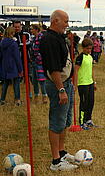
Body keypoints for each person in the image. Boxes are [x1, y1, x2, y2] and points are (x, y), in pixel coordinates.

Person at [40, 10, 78, 171]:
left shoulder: (59, 37)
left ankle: (61, 152)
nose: (67, 24)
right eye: (66, 21)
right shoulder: (49, 40)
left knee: (65, 121)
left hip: (66, 84)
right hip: (58, 85)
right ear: (55, 21)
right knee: (57, 121)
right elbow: (54, 68)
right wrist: (61, 89)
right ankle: (56, 162)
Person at [74, 38, 97, 130]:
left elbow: (91, 70)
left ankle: (88, 120)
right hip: (82, 84)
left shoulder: (90, 57)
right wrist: (75, 84)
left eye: (90, 49)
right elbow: (75, 71)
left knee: (91, 102)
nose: (89, 50)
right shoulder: (80, 57)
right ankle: (82, 122)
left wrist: (94, 82)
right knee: (84, 103)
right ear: (83, 48)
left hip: (90, 83)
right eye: (87, 49)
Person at [0, 27, 23, 106]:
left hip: (5, 65)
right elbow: (17, 57)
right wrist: (20, 69)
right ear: (12, 33)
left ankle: (2, 99)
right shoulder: (13, 44)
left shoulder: (2, 43)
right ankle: (17, 100)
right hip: (13, 65)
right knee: (16, 83)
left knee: (5, 83)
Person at [30, 24, 48, 104]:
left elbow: (44, 49)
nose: (31, 30)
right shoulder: (33, 38)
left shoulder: (41, 37)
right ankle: (36, 96)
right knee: (34, 80)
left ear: (36, 29)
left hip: (40, 62)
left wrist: (39, 58)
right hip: (34, 61)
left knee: (41, 80)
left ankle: (44, 96)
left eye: (32, 29)